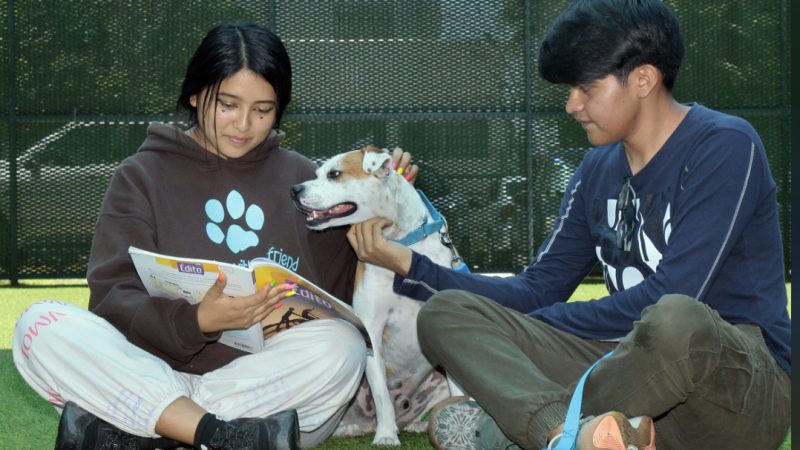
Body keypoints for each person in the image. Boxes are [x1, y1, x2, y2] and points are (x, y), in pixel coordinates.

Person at [346, 1, 791, 449]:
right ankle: (572, 435)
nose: (571, 104)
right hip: (632, 378)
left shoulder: (724, 145)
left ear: (643, 79)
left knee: (676, 318)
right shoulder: (597, 169)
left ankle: (502, 429)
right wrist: (410, 264)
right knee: (448, 312)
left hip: (736, 388)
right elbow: (538, 288)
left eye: (585, 88)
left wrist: (536, 325)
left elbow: (676, 293)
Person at [12, 21, 417, 450]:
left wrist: (384, 202)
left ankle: (154, 432)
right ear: (193, 93)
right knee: (41, 324)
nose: (244, 124)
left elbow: (344, 299)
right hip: (157, 374)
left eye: (263, 109)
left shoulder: (303, 179)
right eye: (227, 104)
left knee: (342, 347)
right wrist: (198, 321)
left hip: (258, 389)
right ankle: (218, 437)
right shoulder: (141, 176)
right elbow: (112, 297)